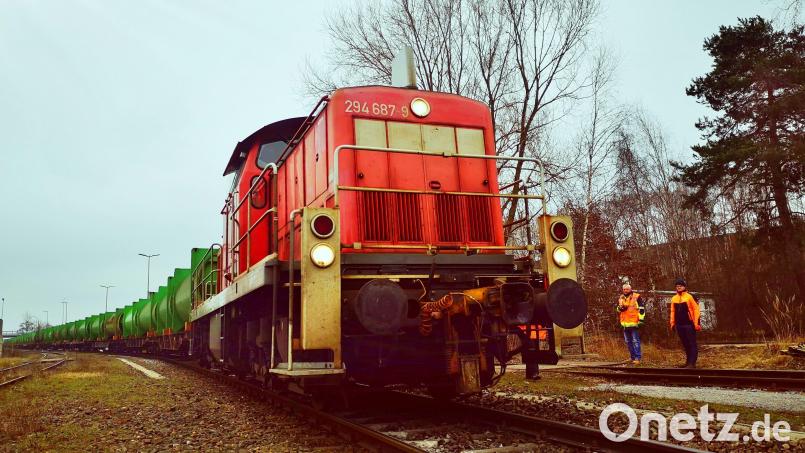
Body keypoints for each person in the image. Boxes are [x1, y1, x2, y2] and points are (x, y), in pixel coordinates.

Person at [669, 278, 701, 368]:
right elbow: (672, 311)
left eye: (680, 286)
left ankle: (692, 363)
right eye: (677, 286)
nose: (678, 288)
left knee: (692, 343)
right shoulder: (674, 298)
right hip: (679, 325)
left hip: (689, 324)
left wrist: (696, 323)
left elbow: (696, 310)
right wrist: (672, 323)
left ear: (684, 287)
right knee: (685, 344)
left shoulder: (689, 297)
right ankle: (688, 362)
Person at [617, 283, 645, 364]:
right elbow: (618, 309)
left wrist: (641, 320)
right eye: (624, 289)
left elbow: (642, 309)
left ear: (630, 289)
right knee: (628, 341)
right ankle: (632, 357)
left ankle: (637, 358)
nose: (625, 291)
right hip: (625, 324)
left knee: (635, 341)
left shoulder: (636, 297)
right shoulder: (621, 297)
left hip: (634, 323)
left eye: (627, 289)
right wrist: (620, 308)